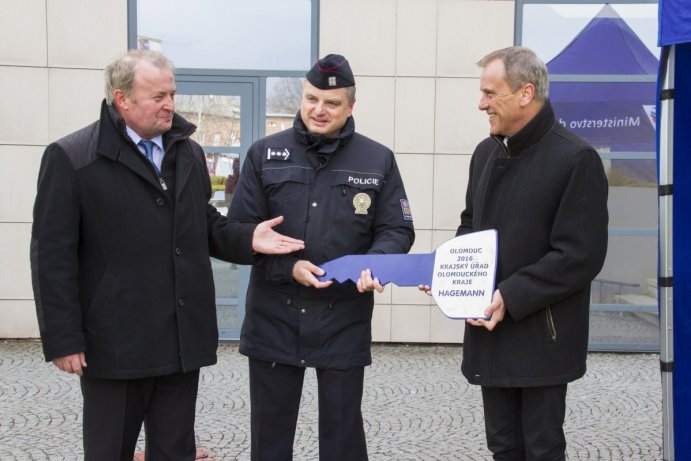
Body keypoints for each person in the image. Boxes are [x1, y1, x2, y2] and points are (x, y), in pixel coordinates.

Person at [30, 49, 304, 461]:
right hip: (114, 345)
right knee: (108, 451)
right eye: (158, 96)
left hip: (179, 340)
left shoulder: (188, 153)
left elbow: (206, 224)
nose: (169, 105)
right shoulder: (72, 158)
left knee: (175, 452)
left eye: (172, 94)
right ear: (122, 99)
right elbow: (52, 256)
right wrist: (63, 338)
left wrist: (250, 238)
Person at [421, 46, 609, 460]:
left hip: (543, 334)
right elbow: (471, 224)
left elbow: (580, 255)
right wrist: (448, 271)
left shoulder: (576, 159)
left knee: (541, 449)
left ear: (525, 93)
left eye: (491, 93)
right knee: (503, 447)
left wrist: (511, 294)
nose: (481, 103)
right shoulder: (486, 152)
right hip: (492, 329)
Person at [227, 54, 415, 461]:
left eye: (331, 103)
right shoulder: (264, 154)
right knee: (270, 439)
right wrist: (287, 265)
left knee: (343, 437)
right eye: (311, 98)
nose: (319, 109)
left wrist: (375, 264)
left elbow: (397, 229)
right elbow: (238, 232)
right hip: (273, 317)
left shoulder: (377, 159)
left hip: (342, 318)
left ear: (351, 105)